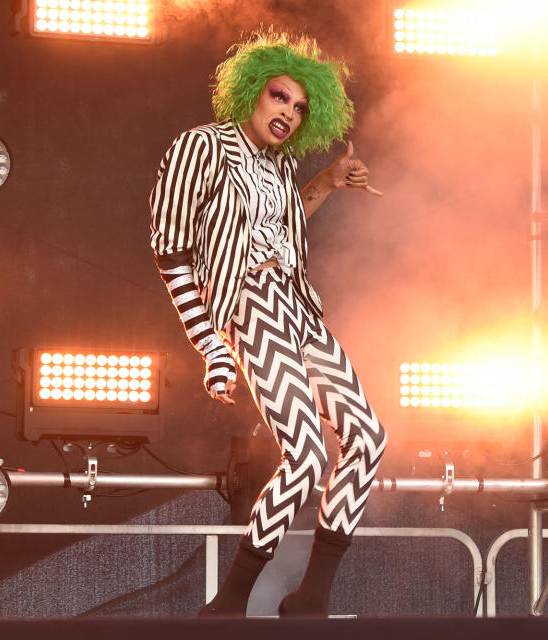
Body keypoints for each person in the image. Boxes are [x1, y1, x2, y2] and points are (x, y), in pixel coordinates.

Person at [148, 29, 387, 617]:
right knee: (306, 459)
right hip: (247, 303)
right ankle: (229, 602)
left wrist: (328, 182)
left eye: (301, 107)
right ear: (252, 91)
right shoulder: (199, 148)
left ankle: (312, 597)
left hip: (296, 302)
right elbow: (171, 252)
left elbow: (280, 225)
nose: (289, 112)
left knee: (368, 439)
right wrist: (212, 344)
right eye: (280, 97)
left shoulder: (279, 169)